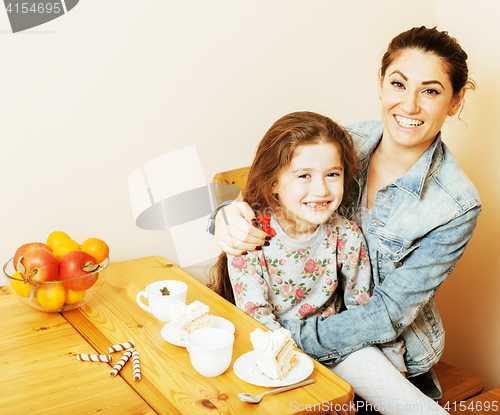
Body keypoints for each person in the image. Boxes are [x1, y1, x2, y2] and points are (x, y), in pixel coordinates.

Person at [207, 26, 481, 412]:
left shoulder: (456, 204)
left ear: (455, 101)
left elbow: (383, 314)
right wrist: (223, 216)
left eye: (431, 91)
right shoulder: (336, 143)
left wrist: (286, 339)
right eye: (399, 84)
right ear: (382, 85)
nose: (410, 105)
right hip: (275, 339)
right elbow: (265, 183)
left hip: (374, 343)